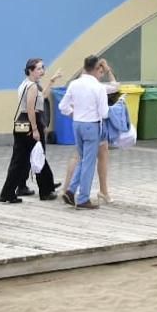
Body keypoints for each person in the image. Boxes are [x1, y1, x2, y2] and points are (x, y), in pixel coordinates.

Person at [0, 58, 58, 203]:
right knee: (38, 155)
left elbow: (41, 97)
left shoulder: (25, 85)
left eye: (42, 68)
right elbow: (32, 109)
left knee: (20, 159)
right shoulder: (32, 86)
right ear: (30, 70)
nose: (41, 71)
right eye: (38, 68)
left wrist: (51, 81)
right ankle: (45, 190)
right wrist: (35, 129)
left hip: (21, 121)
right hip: (31, 122)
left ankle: (8, 192)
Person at [60, 55, 112, 209]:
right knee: (88, 162)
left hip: (76, 124)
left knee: (83, 160)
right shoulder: (98, 87)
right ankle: (83, 198)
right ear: (97, 69)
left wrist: (74, 113)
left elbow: (63, 106)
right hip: (91, 125)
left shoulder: (74, 84)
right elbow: (104, 113)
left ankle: (70, 191)